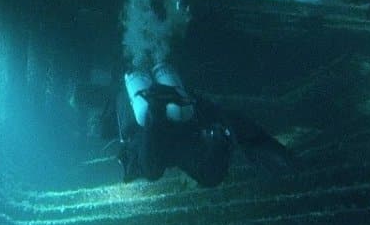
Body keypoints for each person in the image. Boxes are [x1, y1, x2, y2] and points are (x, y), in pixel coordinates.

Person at [102, 61, 294, 187]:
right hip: (184, 134)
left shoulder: (125, 99)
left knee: (152, 170)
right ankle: (161, 113)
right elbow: (219, 113)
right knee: (210, 176)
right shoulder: (185, 100)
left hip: (161, 135)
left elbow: (113, 129)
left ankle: (156, 112)